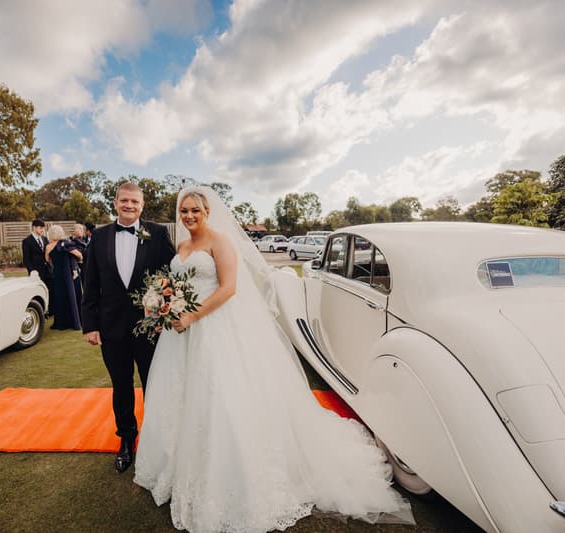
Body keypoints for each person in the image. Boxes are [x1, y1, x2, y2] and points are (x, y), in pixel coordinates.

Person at [134, 187, 413, 532]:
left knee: (221, 397)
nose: (189, 216)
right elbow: (178, 283)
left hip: (214, 327)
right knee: (183, 396)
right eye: (184, 211)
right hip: (182, 335)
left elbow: (228, 288)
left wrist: (192, 315)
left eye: (194, 210)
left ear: (207, 211)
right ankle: (181, 468)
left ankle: (232, 472)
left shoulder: (220, 242)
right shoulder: (182, 245)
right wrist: (167, 303)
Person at [81, 182, 175, 473]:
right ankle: (126, 440)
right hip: (111, 328)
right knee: (121, 386)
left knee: (153, 385)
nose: (129, 205)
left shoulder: (158, 234)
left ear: (142, 205)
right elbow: (90, 283)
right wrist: (90, 325)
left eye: (135, 201)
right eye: (124, 200)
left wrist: (163, 316)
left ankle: (157, 441)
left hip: (150, 328)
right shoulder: (99, 236)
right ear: (115, 202)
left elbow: (170, 277)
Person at [45, 224, 83, 330]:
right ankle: (74, 321)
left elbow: (47, 260)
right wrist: (76, 260)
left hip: (57, 274)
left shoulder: (48, 247)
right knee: (72, 296)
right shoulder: (66, 244)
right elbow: (79, 255)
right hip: (68, 274)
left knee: (60, 298)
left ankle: (61, 323)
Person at [21, 219, 53, 306]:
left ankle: (51, 309)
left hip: (47, 270)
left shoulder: (45, 239)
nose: (42, 230)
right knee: (38, 292)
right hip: (36, 272)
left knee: (50, 289)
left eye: (43, 228)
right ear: (34, 228)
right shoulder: (27, 241)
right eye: (40, 228)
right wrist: (32, 271)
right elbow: (26, 259)